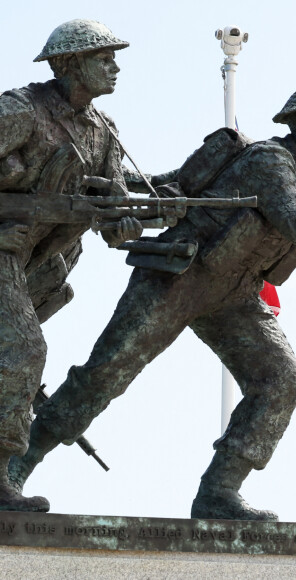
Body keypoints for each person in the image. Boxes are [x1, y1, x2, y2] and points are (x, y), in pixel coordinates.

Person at [9, 84, 296, 519]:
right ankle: (16, 467)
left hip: (234, 293)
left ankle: (219, 492)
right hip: (180, 275)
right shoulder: (270, 160)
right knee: (105, 375)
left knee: (280, 381)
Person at [0, 19, 144, 512]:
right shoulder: (22, 111)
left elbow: (117, 219)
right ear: (68, 63)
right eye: (103, 58)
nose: (115, 67)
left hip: (37, 263)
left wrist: (125, 219)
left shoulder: (103, 133)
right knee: (22, 351)